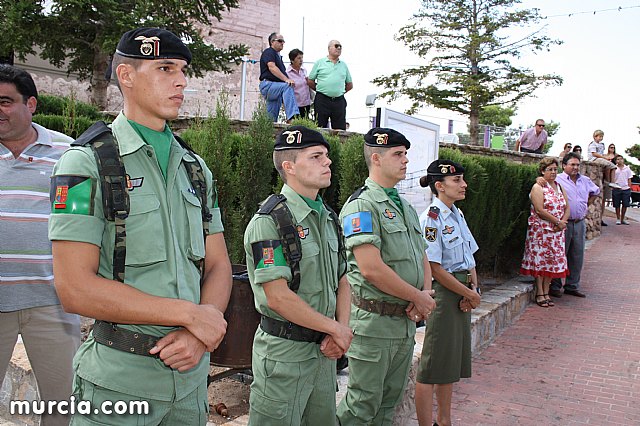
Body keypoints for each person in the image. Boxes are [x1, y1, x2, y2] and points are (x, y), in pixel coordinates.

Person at [48, 28, 232, 425]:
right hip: (120, 384)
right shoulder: (84, 164)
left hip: (189, 381)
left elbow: (218, 265)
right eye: (165, 68)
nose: (181, 81)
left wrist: (198, 331)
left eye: (182, 70)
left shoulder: (195, 170)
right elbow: (74, 287)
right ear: (126, 76)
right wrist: (190, 314)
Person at [243, 125, 352, 425]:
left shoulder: (328, 217)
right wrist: (336, 329)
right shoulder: (269, 222)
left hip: (324, 352)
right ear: (289, 167)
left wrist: (340, 330)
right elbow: (277, 297)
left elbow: (343, 279)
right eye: (316, 156)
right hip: (284, 357)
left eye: (326, 155)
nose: (327, 162)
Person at [336, 128, 436, 425]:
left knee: (387, 406)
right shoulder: (361, 206)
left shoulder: (404, 206)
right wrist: (417, 297)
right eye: (398, 154)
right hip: (373, 326)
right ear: (376, 159)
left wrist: (424, 296)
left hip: (403, 324)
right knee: (361, 407)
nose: (406, 160)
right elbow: (371, 268)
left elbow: (421, 255)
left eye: (406, 154)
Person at [0, 64, 80, 426]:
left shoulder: (68, 152)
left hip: (54, 303)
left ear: (30, 104)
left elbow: (80, 219)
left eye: (5, 101)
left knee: (64, 406)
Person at [415, 159, 482, 426]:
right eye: (457, 180)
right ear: (440, 186)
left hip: (462, 293)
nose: (464, 185)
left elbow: (469, 257)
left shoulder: (457, 214)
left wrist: (473, 289)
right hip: (444, 295)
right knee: (431, 367)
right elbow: (434, 267)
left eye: (462, 179)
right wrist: (469, 293)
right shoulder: (431, 219)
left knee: (449, 363)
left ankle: (444, 421)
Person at [549, 152, 600, 299]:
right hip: (563, 223)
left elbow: (596, 192)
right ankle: (555, 286)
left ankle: (572, 286)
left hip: (579, 223)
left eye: (578, 165)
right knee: (560, 254)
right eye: (572, 164)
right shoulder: (557, 179)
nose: (575, 167)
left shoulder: (585, 180)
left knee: (577, 255)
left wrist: (586, 205)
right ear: (564, 165)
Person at [520, 157, 569, 307]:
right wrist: (557, 222)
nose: (553, 172)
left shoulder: (559, 187)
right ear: (542, 171)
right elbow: (539, 210)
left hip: (556, 233)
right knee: (540, 261)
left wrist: (562, 222)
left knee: (551, 262)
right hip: (541, 232)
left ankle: (546, 291)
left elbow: (567, 207)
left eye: (555, 169)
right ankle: (540, 292)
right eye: (550, 169)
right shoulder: (538, 187)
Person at [307, 39, 353, 130]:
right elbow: (310, 81)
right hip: (322, 100)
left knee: (339, 130)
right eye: (336, 46)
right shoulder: (319, 63)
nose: (339, 48)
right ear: (329, 48)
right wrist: (320, 89)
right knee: (319, 128)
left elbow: (349, 84)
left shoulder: (343, 65)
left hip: (339, 101)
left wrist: (338, 91)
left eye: (340, 46)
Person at [259, 32, 300, 122]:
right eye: (280, 41)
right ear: (272, 42)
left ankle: (268, 127)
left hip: (275, 88)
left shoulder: (278, 57)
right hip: (268, 85)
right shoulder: (269, 52)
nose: (282, 43)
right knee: (287, 87)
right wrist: (286, 80)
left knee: (270, 120)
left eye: (283, 41)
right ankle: (292, 117)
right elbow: (272, 67)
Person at [587, 130, 619, 226]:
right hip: (595, 159)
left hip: (601, 159)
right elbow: (594, 154)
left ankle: (609, 181)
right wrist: (604, 158)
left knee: (609, 166)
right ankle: (611, 181)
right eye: (599, 136)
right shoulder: (592, 144)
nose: (600, 138)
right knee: (612, 166)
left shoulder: (602, 145)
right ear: (595, 137)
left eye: (601, 137)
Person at [286, 48, 312, 118]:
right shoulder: (287, 73)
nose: (301, 60)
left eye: (302, 58)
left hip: (306, 103)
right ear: (292, 60)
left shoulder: (304, 70)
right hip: (295, 105)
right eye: (298, 58)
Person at [611, 154, 633, 225]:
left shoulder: (627, 168)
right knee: (617, 204)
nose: (619, 160)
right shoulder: (614, 168)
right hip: (616, 188)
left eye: (621, 159)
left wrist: (629, 187)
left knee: (625, 204)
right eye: (618, 159)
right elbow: (612, 178)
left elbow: (629, 178)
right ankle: (618, 218)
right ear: (616, 161)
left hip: (626, 188)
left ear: (623, 160)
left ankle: (622, 218)